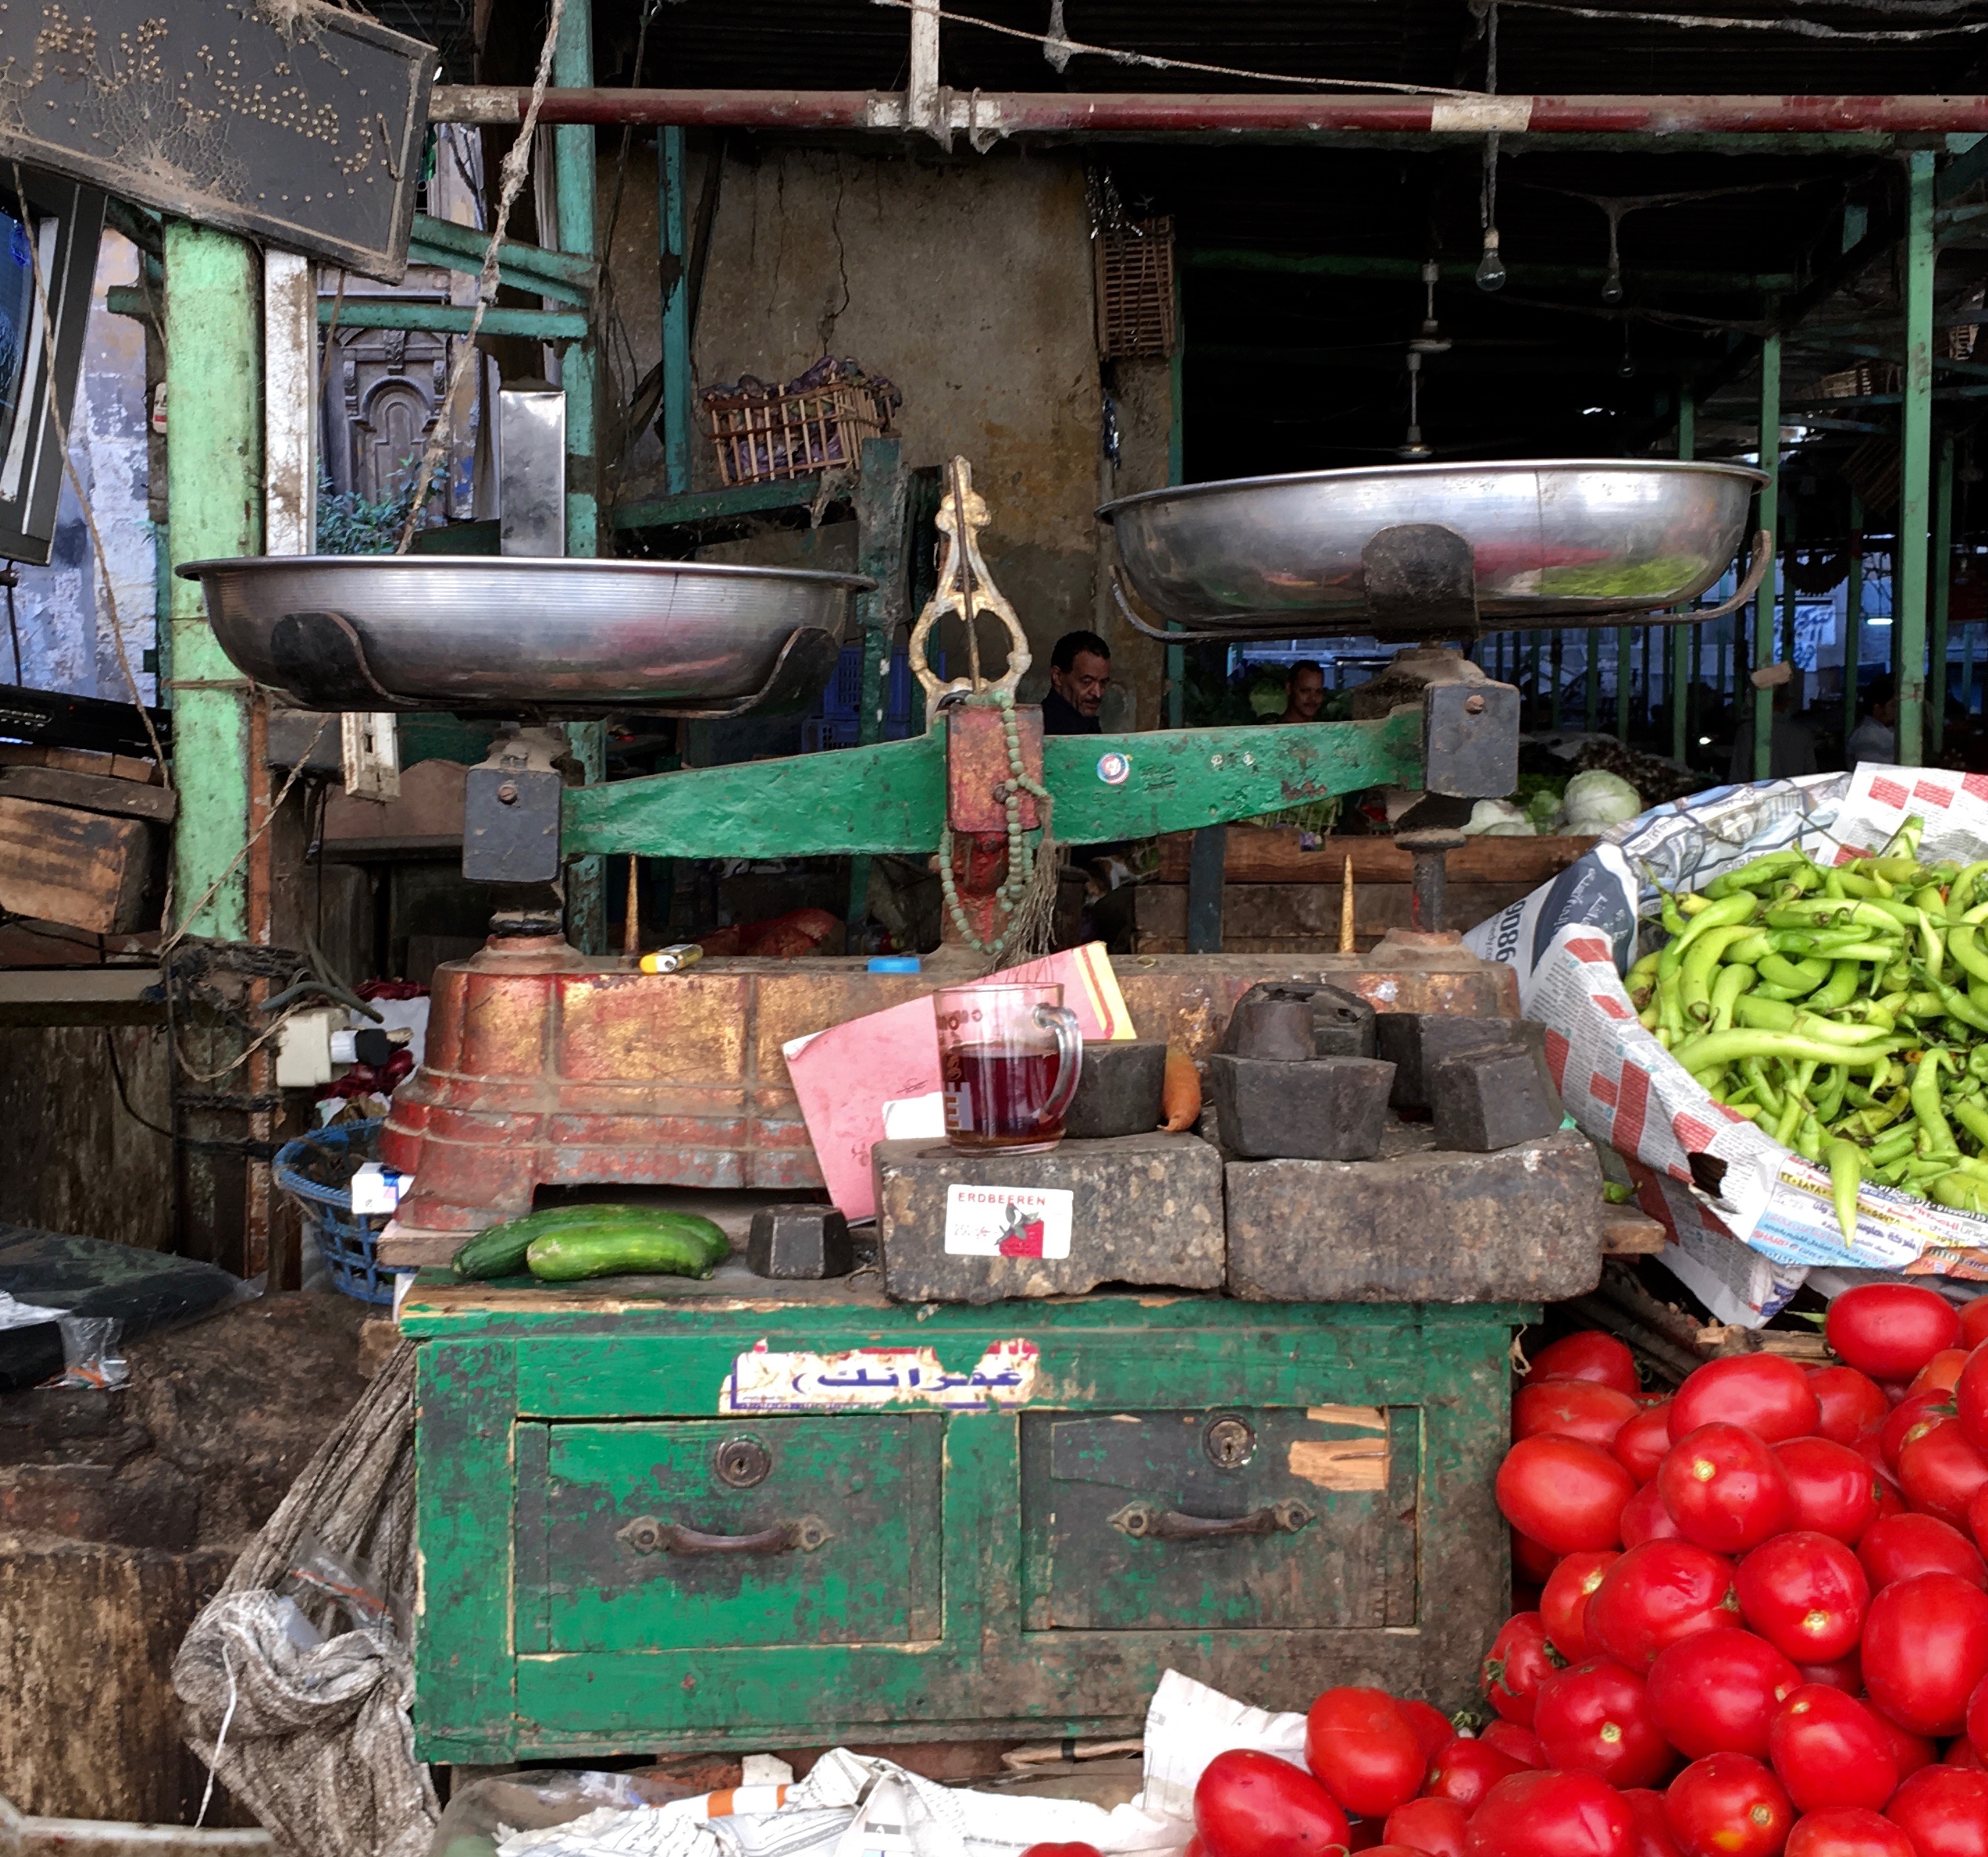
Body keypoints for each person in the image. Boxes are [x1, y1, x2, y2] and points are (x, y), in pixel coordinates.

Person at [1727, 662, 1818, 782]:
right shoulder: (1803, 734)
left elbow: (1738, 777)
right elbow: (1811, 778)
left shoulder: (1747, 732)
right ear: (1786, 703)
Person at [1042, 630, 1111, 735]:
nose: (1097, 694)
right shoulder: (1043, 729)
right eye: (1087, 682)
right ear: (1058, 676)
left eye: (1103, 683)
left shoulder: (1085, 724)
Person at [1847, 674, 1899, 766]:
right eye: (1893, 706)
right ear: (1878, 709)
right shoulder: (1867, 737)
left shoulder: (1889, 728)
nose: (1898, 710)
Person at [1280, 659, 1327, 723]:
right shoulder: (1273, 728)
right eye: (1305, 691)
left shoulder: (1327, 727)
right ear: (1289, 688)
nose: (1313, 698)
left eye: (1318, 692)